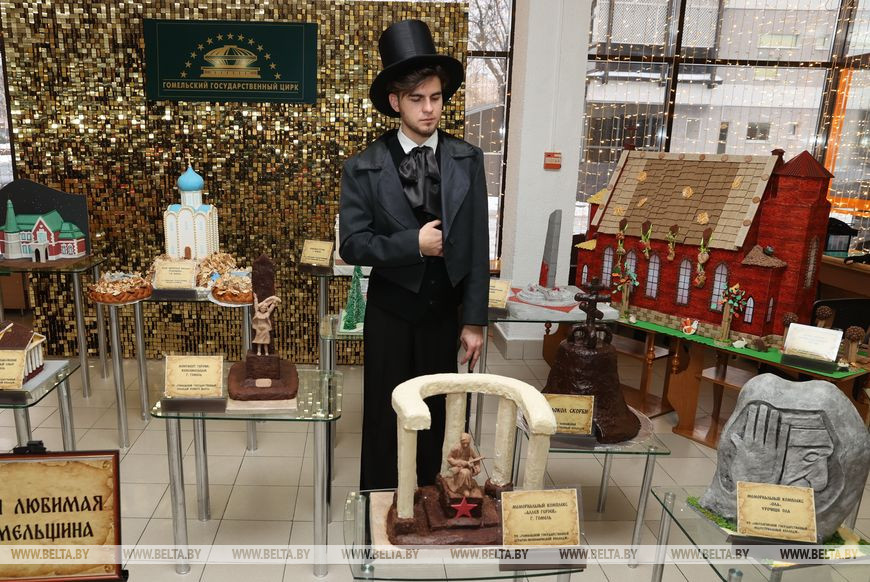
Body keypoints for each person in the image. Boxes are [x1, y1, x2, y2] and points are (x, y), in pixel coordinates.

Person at [339, 19, 489, 491]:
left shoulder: (467, 159)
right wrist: (413, 244)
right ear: (395, 102)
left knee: (438, 410)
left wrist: (474, 320)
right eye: (417, 99)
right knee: (387, 411)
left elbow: (479, 244)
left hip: (444, 310)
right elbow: (352, 244)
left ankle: (429, 498)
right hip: (391, 310)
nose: (429, 109)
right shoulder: (363, 167)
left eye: (436, 98)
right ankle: (381, 500)